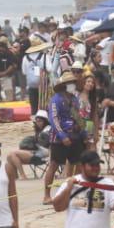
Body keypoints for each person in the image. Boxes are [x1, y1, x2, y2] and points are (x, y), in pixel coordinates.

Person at [42, 76, 82, 204]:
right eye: (70, 83)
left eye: (73, 83)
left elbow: (77, 116)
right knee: (54, 165)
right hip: (59, 139)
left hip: (75, 136)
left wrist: (83, 130)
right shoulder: (56, 100)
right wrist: (62, 135)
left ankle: (73, 192)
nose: (73, 85)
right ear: (64, 85)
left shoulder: (74, 99)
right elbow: (54, 119)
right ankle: (47, 195)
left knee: (77, 165)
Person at [21, 37, 52, 112]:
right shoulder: (44, 56)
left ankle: (34, 117)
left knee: (33, 105)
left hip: (31, 84)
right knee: (43, 105)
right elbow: (50, 69)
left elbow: (24, 72)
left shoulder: (25, 57)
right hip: (42, 84)